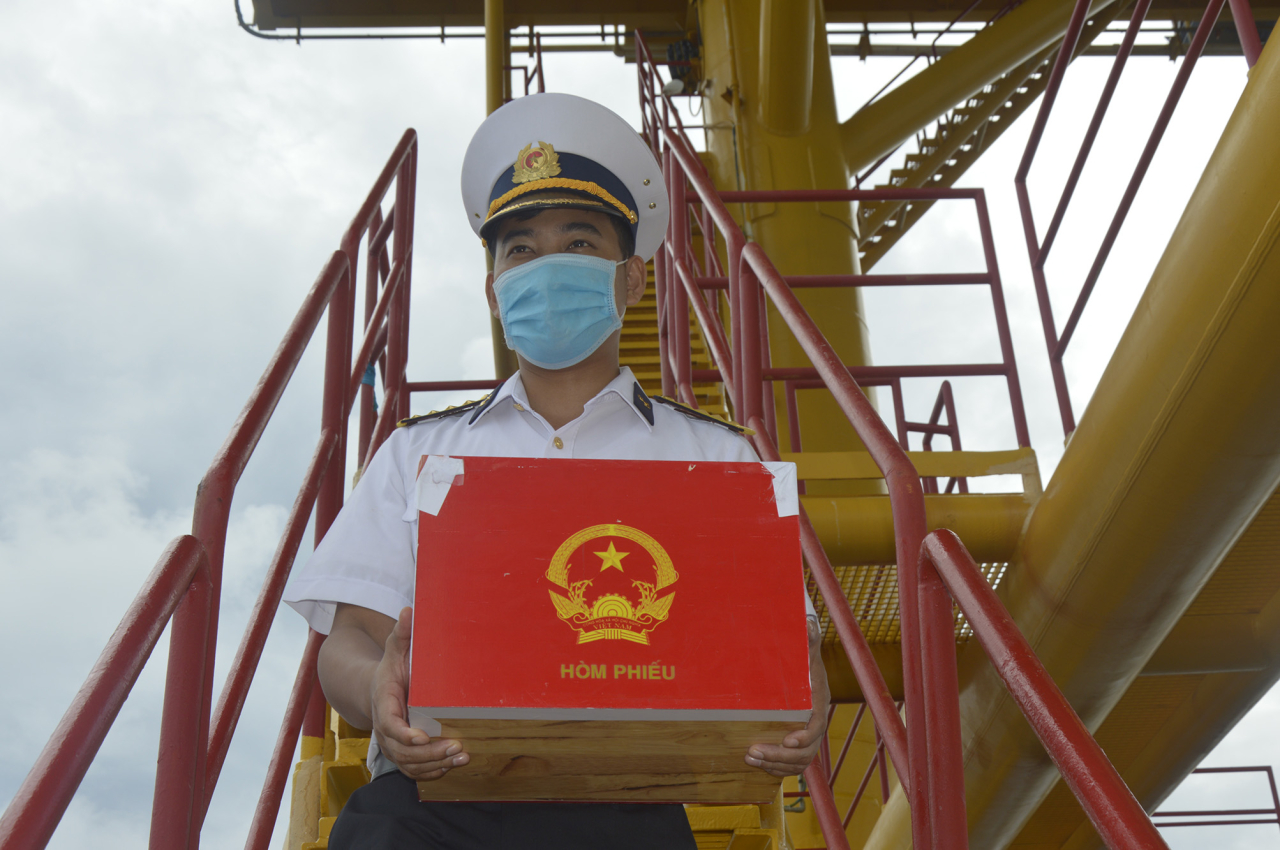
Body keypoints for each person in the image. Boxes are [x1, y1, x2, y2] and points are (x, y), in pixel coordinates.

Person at [283, 92, 830, 849]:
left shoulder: (718, 458)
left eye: (578, 242)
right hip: (433, 798)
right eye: (520, 251)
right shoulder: (415, 453)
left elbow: (785, 644)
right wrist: (378, 692)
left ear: (631, 280)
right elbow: (350, 639)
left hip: (631, 804)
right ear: (495, 291)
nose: (546, 267)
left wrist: (805, 704)